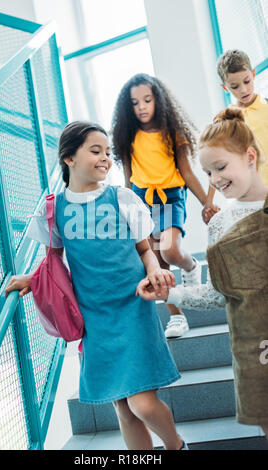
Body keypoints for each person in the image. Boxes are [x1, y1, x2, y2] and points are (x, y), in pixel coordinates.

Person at [4, 121, 188, 451]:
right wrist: (33, 279)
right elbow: (54, 262)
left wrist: (153, 271)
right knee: (124, 408)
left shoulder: (122, 197)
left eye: (107, 152)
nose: (105, 158)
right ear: (69, 158)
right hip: (94, 317)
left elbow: (144, 248)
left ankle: (176, 446)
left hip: (132, 306)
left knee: (142, 404)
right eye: (95, 150)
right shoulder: (54, 209)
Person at [136, 108, 268, 438]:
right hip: (254, 355)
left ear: (250, 156)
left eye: (220, 167)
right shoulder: (220, 223)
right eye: (207, 172)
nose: (214, 180)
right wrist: (169, 294)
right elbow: (217, 293)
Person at [111, 73, 219, 339]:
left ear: (158, 100)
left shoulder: (173, 132)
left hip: (170, 197)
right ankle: (177, 317)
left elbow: (187, 173)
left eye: (147, 100)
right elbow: (127, 180)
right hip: (140, 201)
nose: (142, 107)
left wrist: (207, 202)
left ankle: (192, 266)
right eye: (135, 103)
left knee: (170, 251)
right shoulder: (127, 136)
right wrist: (125, 213)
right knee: (156, 262)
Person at [205, 49, 268, 219]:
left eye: (247, 81)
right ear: (225, 87)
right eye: (235, 86)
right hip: (251, 199)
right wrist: (209, 201)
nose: (243, 89)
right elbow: (215, 163)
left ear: (253, 74)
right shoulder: (226, 122)